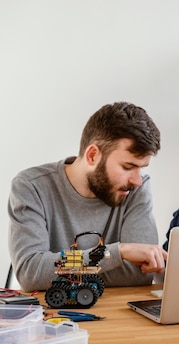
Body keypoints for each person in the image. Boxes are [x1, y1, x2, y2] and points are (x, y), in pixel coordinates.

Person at [9, 102, 168, 292]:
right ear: (92, 155)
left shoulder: (135, 190)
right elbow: (32, 273)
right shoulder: (31, 186)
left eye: (141, 168)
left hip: (121, 317)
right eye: (128, 167)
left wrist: (56, 270)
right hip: (53, 317)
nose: (137, 180)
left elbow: (138, 273)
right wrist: (118, 253)